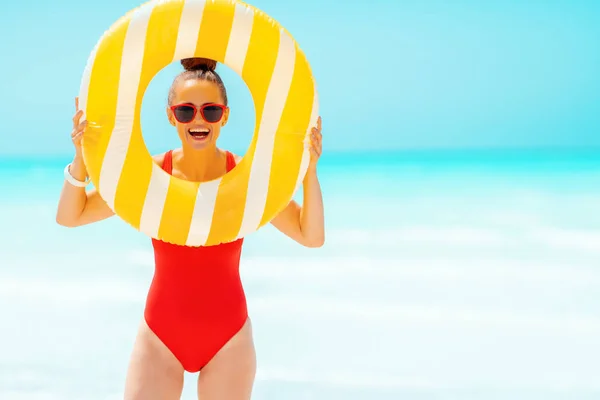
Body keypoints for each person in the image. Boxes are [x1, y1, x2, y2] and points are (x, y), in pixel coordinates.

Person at [56, 57, 325, 400]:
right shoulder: (154, 174)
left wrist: (309, 172)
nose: (198, 120)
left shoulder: (243, 176)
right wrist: (80, 160)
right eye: (186, 111)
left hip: (229, 341)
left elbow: (311, 235)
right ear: (171, 116)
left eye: (210, 111)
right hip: (160, 338)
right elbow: (71, 216)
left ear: (225, 115)